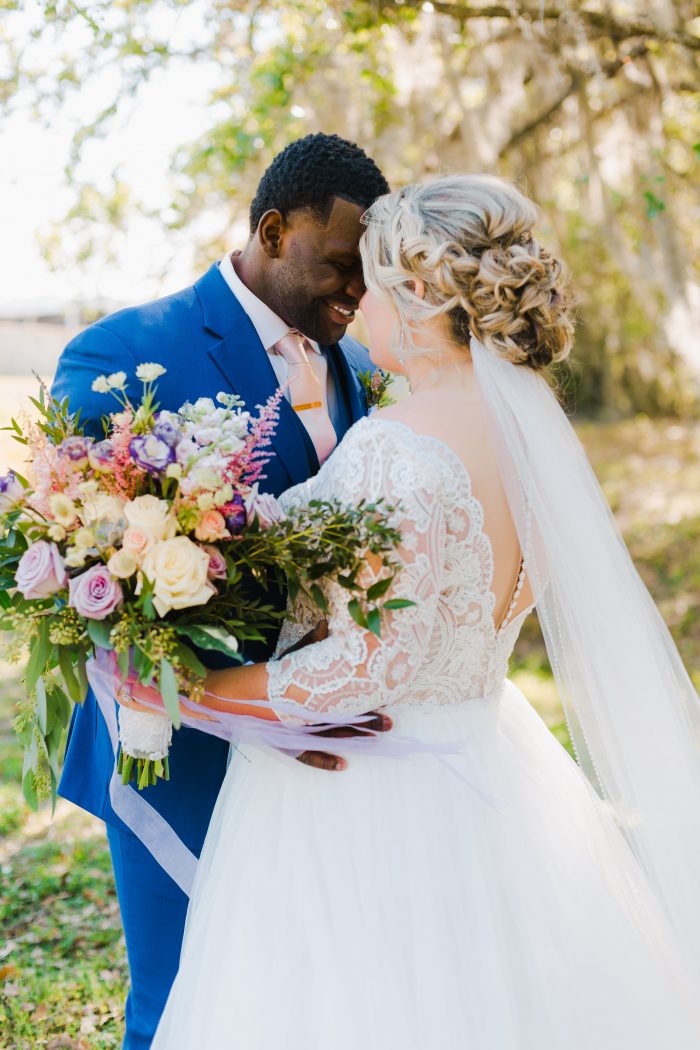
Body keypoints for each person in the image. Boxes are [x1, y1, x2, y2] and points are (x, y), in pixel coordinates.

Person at [143, 175, 700, 1048]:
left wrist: (187, 691)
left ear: (422, 296)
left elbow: (367, 666)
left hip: (366, 797)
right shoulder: (530, 434)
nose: (355, 305)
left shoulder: (399, 449)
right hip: (487, 759)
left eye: (368, 281)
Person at [51, 132, 390, 1049]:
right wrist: (233, 707)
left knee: (283, 993)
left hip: (316, 733)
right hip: (179, 737)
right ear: (275, 232)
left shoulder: (355, 368)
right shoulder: (121, 353)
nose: (358, 292)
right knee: (181, 1001)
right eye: (341, 267)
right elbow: (87, 555)